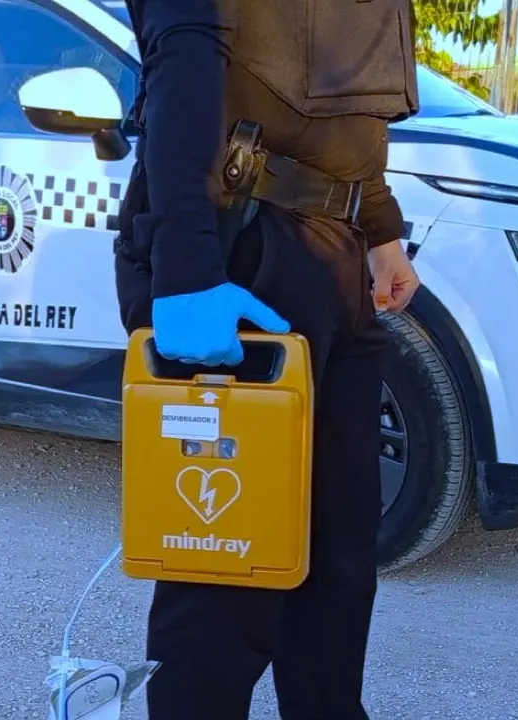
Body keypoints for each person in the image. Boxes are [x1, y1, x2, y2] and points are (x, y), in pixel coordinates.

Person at [113, 0, 422, 718]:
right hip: (243, 246)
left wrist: (378, 226)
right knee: (224, 581)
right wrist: (186, 273)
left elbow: (346, 95)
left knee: (337, 566)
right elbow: (184, 49)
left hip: (332, 251)